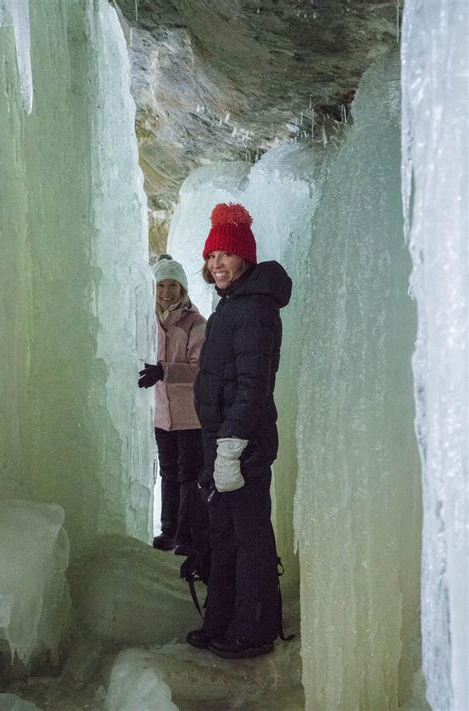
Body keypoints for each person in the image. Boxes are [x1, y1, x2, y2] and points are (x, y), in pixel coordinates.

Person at [186, 203, 292, 659]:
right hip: (222, 443)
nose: (217, 265)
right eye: (211, 258)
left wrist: (231, 446)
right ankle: (223, 621)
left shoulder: (254, 310)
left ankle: (254, 630)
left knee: (249, 540)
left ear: (244, 257)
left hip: (241, 446)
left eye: (225, 255)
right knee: (224, 536)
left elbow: (252, 385)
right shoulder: (232, 304)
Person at [139, 255, 206, 556]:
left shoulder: (196, 323)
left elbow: (199, 368)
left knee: (189, 475)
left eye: (173, 286)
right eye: (161, 285)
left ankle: (188, 534)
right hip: (163, 417)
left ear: (183, 289)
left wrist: (164, 371)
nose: (166, 292)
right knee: (169, 472)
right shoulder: (148, 320)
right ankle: (169, 531)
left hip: (191, 416)